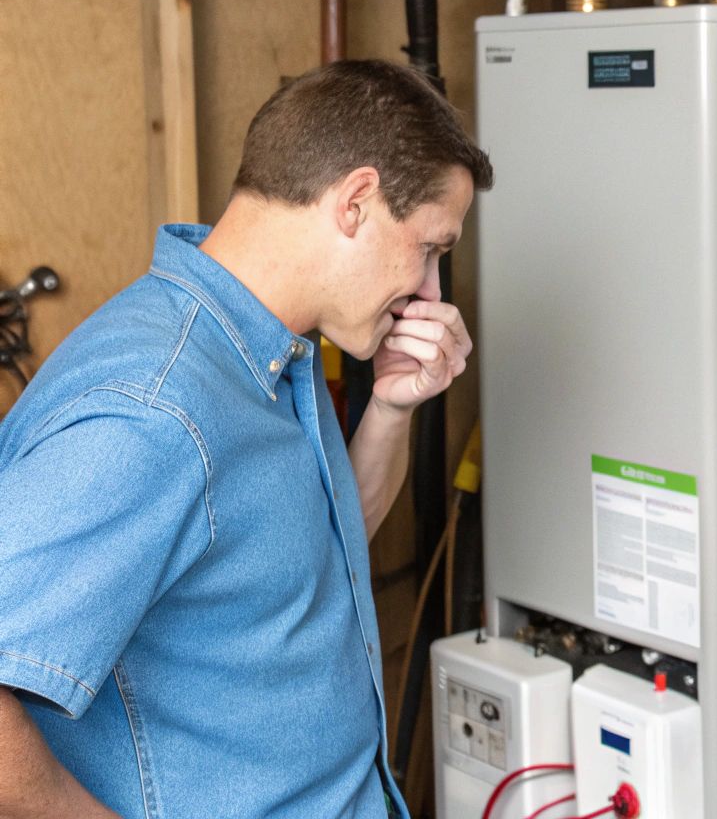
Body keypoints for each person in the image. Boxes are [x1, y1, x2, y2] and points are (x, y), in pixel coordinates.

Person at [0, 60, 489, 819]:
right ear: (356, 201)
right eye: (430, 247)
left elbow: (312, 559)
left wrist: (392, 410)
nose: (431, 291)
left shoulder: (269, 351)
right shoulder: (155, 413)